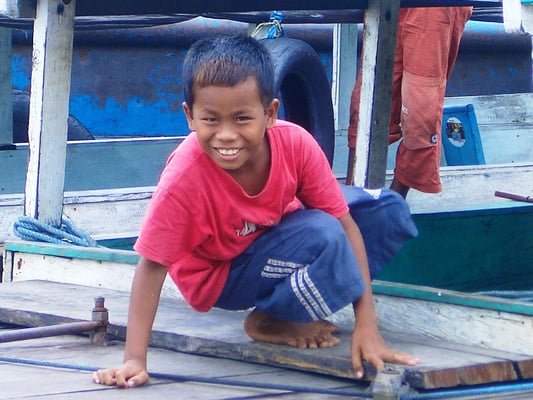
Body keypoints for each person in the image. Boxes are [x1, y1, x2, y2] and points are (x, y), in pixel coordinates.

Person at [92, 34, 419, 389]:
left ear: (270, 114)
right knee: (325, 232)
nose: (226, 135)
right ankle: (271, 320)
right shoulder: (183, 179)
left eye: (242, 119)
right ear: (190, 117)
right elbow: (152, 266)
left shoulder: (296, 145)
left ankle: (288, 306)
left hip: (275, 236)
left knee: (386, 210)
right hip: (221, 276)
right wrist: (134, 359)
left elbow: (347, 222)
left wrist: (366, 325)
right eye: (211, 120)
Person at [348, 7, 473, 198]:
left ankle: (395, 200)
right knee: (365, 103)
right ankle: (350, 195)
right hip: (385, 6)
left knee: (419, 112)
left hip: (433, 10)